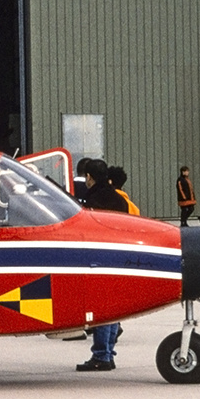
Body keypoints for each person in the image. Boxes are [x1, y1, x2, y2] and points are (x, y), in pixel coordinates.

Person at [77, 159, 127, 371]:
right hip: (118, 256)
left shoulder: (92, 201)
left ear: (89, 177)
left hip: (99, 258)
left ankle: (101, 355)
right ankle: (108, 352)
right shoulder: (119, 199)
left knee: (101, 309)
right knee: (113, 309)